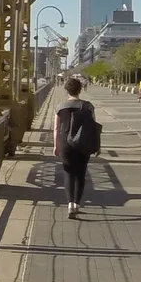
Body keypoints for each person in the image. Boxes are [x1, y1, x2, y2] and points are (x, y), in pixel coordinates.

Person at [54, 76, 99, 218]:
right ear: (80, 89)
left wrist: (56, 146)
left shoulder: (60, 107)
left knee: (68, 173)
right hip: (83, 142)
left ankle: (69, 203)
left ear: (66, 89)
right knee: (80, 173)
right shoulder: (88, 106)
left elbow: (56, 129)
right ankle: (77, 204)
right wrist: (97, 146)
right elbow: (94, 128)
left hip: (65, 143)